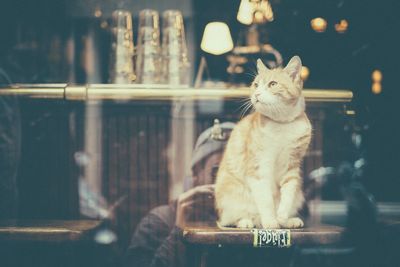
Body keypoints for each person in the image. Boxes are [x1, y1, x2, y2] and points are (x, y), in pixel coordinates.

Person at [125, 121, 235, 267]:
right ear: (196, 174)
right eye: (217, 173)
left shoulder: (253, 221)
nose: (230, 182)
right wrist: (179, 232)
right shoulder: (161, 221)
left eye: (238, 173)